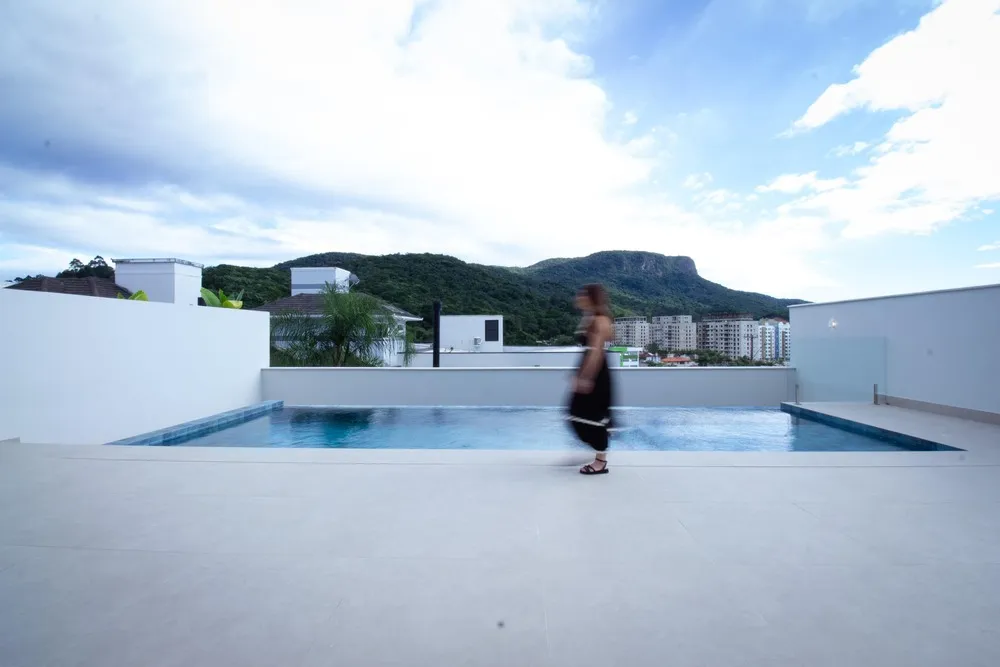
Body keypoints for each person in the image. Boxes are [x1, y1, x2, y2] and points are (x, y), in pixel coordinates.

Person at [567, 283, 616, 475]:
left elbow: (596, 353)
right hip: (588, 368)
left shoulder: (600, 320)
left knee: (592, 416)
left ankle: (600, 460)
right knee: (576, 413)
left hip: (597, 373)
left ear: (591, 297)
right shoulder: (590, 317)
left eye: (582, 295)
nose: (578, 298)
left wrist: (586, 377)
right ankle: (597, 445)